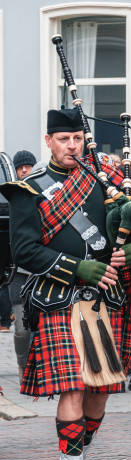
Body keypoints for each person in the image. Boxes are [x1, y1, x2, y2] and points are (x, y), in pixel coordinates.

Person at [1, 108, 131, 460]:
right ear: (48, 141)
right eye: (63, 139)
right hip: (58, 298)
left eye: (77, 139)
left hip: (104, 298)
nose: (71, 146)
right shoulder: (28, 189)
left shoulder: (102, 182)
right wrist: (78, 267)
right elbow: (24, 251)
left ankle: (73, 453)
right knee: (73, 386)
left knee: (100, 392)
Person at [9, 151, 37, 377]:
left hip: (40, 271)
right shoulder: (9, 197)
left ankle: (41, 368)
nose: (25, 170)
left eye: (28, 166)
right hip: (17, 274)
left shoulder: (39, 192)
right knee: (20, 329)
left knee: (40, 325)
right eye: (21, 167)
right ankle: (22, 366)